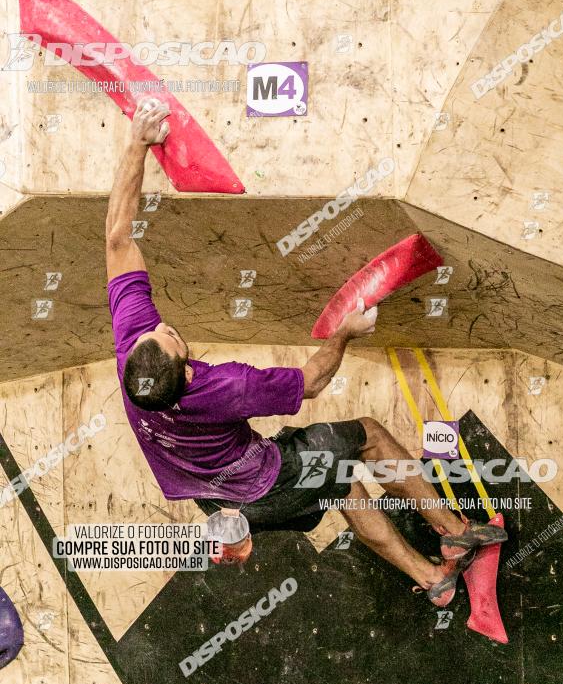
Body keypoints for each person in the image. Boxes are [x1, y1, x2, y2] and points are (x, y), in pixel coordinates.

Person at [106, 99, 507, 606]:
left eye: (155, 330)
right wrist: (344, 331)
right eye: (171, 335)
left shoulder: (135, 359)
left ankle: (434, 581)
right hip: (268, 482)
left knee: (339, 484)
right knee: (368, 438)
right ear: (185, 372)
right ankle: (452, 530)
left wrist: (136, 143)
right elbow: (313, 380)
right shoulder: (225, 387)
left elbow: (118, 237)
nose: (162, 324)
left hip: (215, 499)